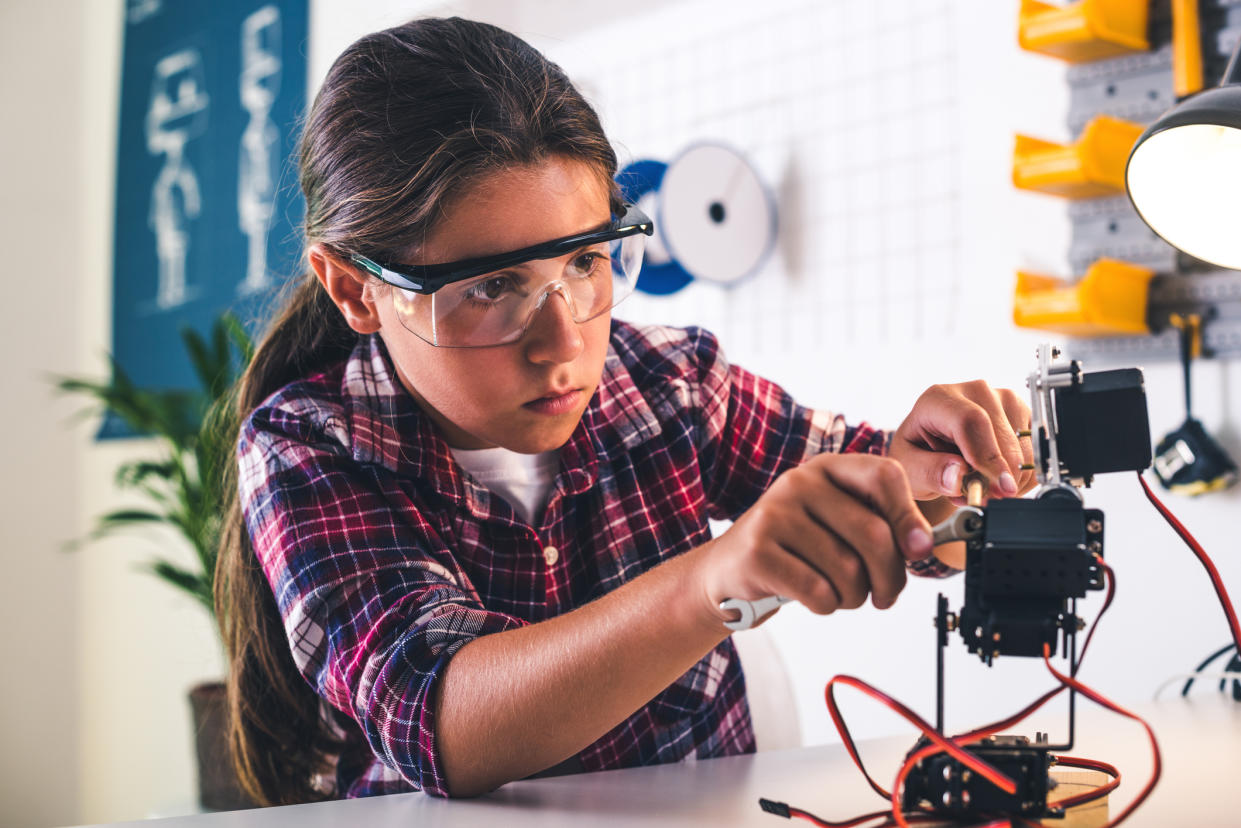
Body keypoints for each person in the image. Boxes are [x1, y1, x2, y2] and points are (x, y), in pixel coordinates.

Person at [215, 16, 1035, 807]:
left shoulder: (668, 381)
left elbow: (894, 504)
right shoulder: (308, 446)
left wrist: (949, 474)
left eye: (584, 261)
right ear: (356, 290)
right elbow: (439, 722)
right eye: (492, 288)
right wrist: (709, 584)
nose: (563, 340)